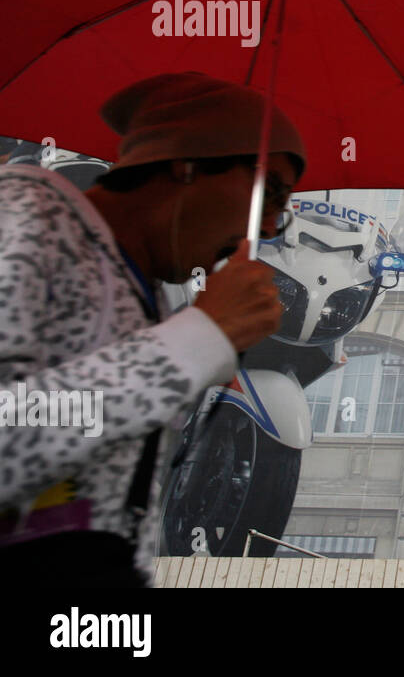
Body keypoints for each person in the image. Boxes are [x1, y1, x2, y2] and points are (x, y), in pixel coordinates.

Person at [0, 73, 304, 585]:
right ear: (187, 167)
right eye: (269, 192)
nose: (273, 225)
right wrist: (196, 341)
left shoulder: (142, 289)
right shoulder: (30, 220)